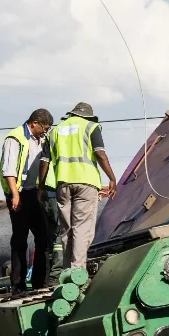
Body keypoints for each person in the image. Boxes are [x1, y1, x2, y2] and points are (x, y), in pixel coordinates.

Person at [38, 102, 117, 269]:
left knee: (67, 230)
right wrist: (111, 177)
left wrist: (41, 187)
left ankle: (68, 270)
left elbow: (44, 161)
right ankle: (77, 271)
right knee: (82, 228)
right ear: (87, 116)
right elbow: (99, 153)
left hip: (63, 184)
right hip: (86, 183)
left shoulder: (55, 131)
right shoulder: (91, 127)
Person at [0, 108, 53, 294]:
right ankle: (18, 283)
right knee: (20, 239)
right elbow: (9, 170)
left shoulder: (42, 139)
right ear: (34, 123)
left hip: (33, 192)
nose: (45, 132)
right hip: (19, 193)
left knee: (43, 237)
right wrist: (15, 195)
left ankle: (41, 282)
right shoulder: (15, 139)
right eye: (44, 128)